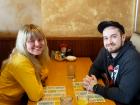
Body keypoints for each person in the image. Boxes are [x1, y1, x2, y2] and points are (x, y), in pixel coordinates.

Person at [83, 21, 140, 105]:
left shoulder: (132, 59)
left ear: (123, 37)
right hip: (113, 99)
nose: (109, 42)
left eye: (113, 36)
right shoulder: (105, 51)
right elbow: (95, 67)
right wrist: (91, 79)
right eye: (105, 38)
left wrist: (95, 87)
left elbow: (125, 96)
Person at [0, 24, 50, 105]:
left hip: (17, 100)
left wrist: (39, 76)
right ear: (23, 43)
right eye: (31, 41)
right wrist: (39, 78)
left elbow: (44, 71)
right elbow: (36, 96)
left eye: (40, 39)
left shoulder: (31, 55)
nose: (37, 44)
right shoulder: (20, 62)